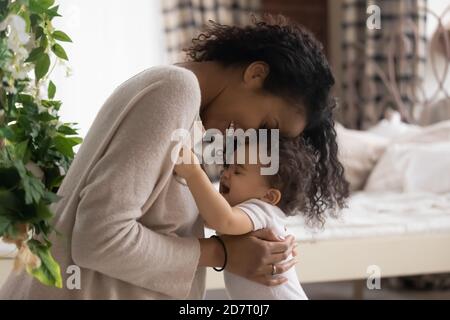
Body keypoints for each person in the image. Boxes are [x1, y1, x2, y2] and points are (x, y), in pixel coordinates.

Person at [0, 15, 348, 299]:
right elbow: (99, 239)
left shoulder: (188, 112)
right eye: (266, 123)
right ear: (255, 74)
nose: (254, 137)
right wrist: (222, 254)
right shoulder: (176, 90)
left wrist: (258, 237)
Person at [174, 135, 319, 299]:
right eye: (228, 166)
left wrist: (194, 173)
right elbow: (208, 215)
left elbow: (222, 220)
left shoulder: (262, 210)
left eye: (237, 171)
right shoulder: (248, 212)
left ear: (269, 196)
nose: (225, 173)